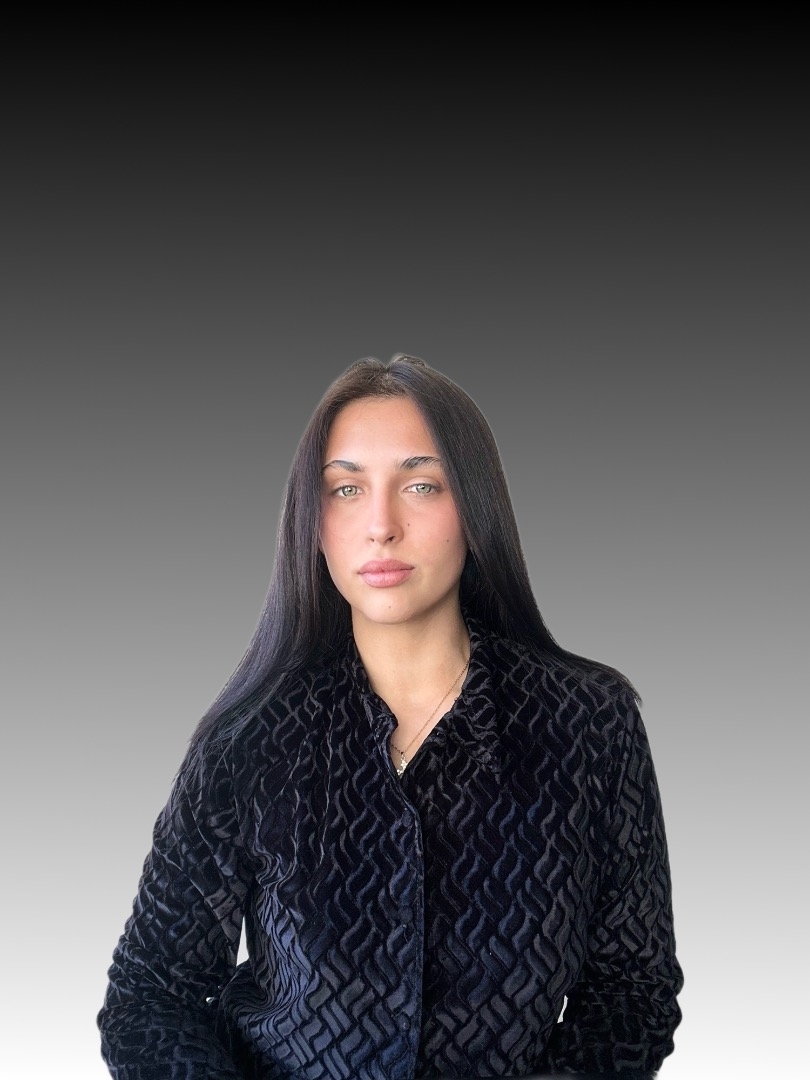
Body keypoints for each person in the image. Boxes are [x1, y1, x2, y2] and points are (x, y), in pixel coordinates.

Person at [99, 354, 683, 1079]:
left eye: (420, 485)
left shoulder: (589, 724)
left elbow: (631, 991)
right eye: (346, 489)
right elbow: (151, 995)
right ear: (313, 524)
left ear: (474, 507)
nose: (381, 526)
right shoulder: (247, 743)